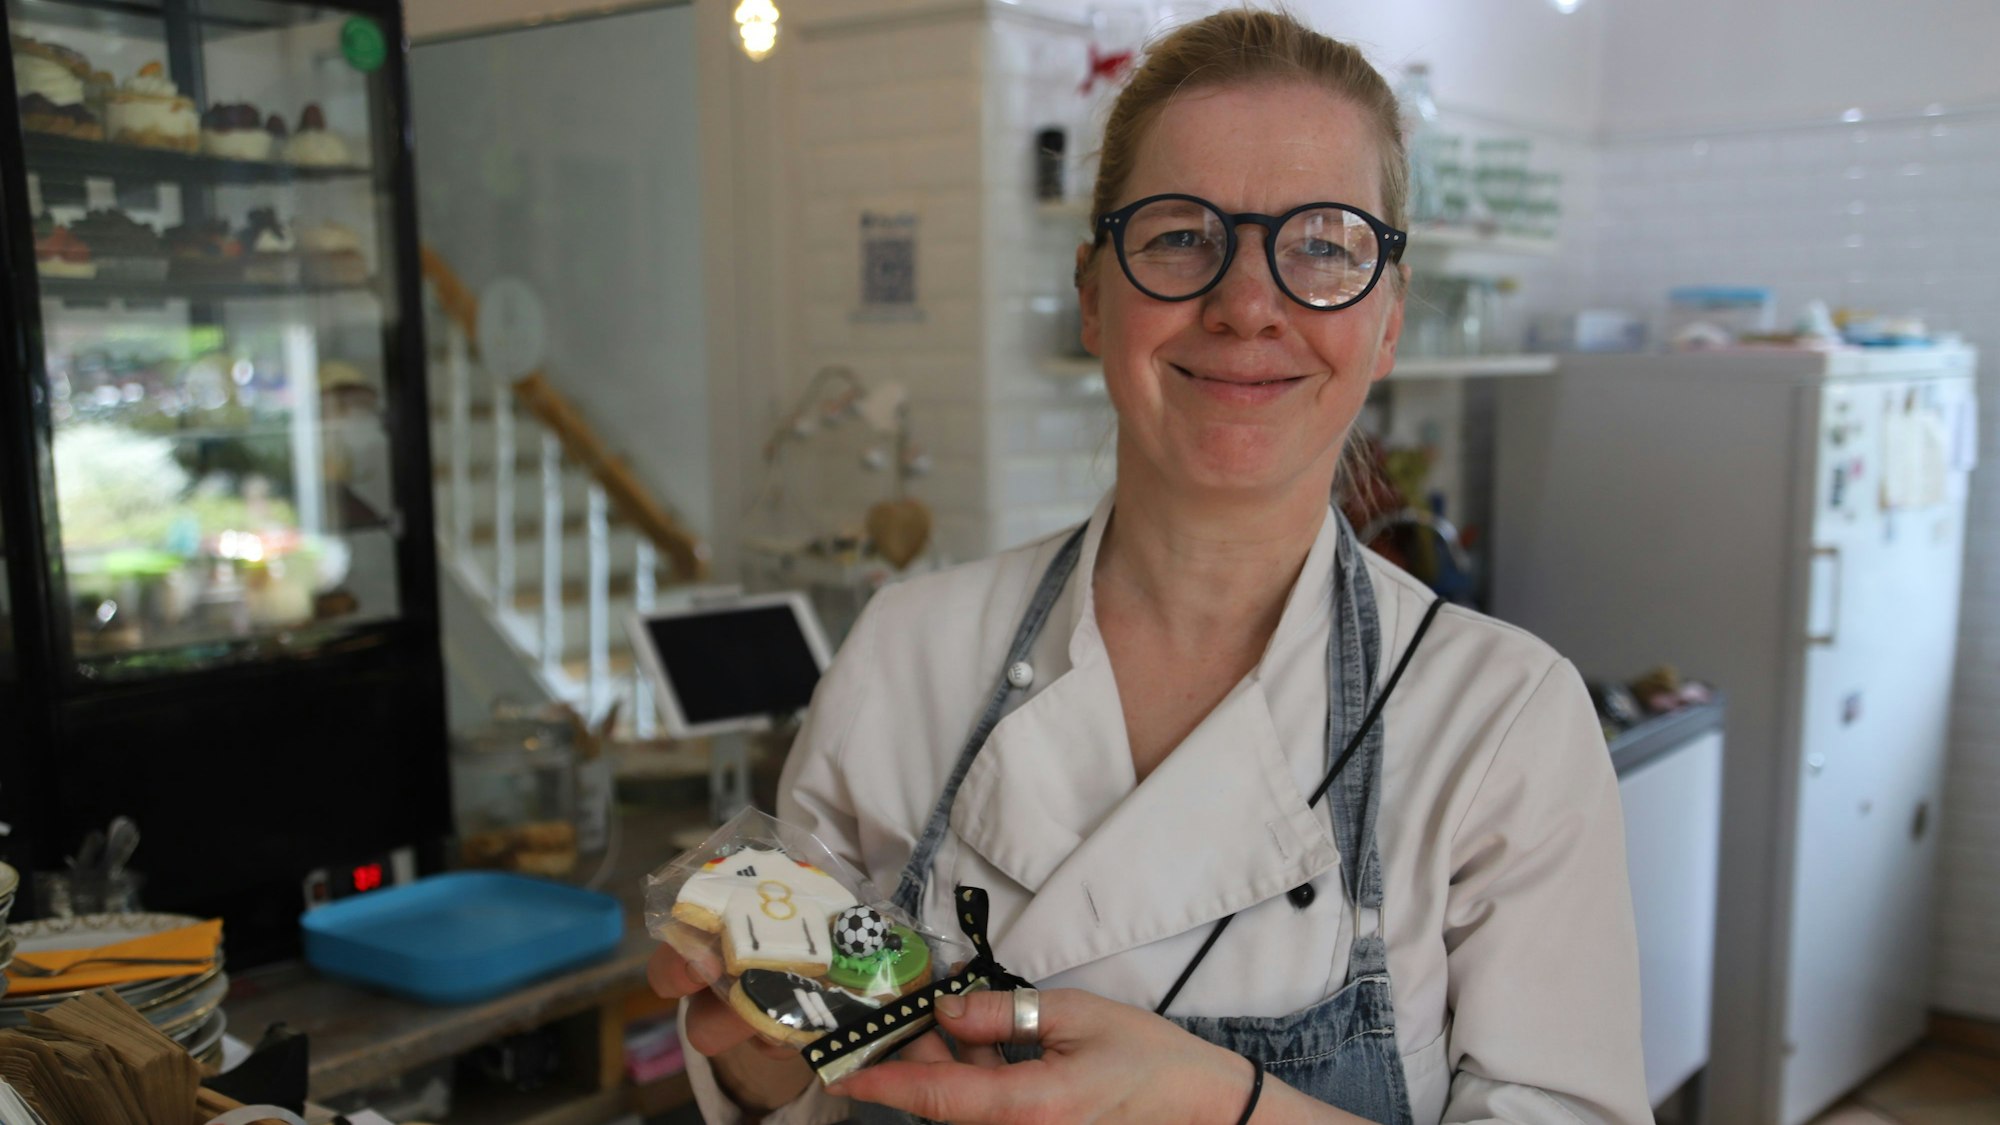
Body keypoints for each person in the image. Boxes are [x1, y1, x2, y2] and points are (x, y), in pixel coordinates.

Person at [650, 10, 1650, 1124]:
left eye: (1323, 244)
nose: (1246, 304)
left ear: (1387, 321)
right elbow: (812, 1096)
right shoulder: (906, 651)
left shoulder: (1501, 720)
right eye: (1179, 236)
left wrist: (1223, 1104)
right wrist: (756, 1054)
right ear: (1092, 293)